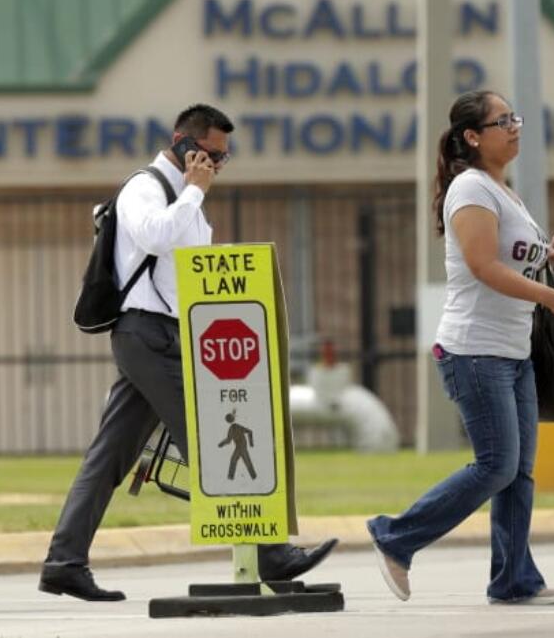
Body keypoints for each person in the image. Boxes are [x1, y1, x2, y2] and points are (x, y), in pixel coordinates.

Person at [39, 103, 338, 602]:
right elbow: (154, 237)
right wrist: (196, 190)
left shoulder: (186, 196)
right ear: (183, 143)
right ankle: (269, 552)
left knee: (111, 455)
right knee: (211, 437)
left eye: (223, 159)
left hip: (172, 334)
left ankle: (64, 563)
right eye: (209, 155)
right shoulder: (145, 188)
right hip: (145, 333)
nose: (216, 166)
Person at [367, 90, 554, 605]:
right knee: (496, 464)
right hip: (475, 351)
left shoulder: (502, 189)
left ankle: (514, 581)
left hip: (512, 352)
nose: (514, 127)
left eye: (515, 118)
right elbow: (483, 267)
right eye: (502, 121)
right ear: (473, 136)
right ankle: (396, 536)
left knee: (518, 471)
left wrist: (547, 253)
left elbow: (509, 260)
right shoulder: (471, 189)